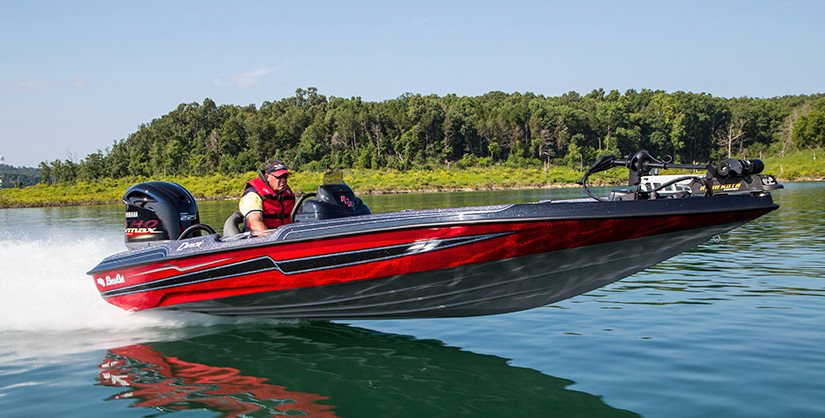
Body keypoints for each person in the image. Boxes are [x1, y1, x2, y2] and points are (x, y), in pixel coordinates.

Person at [239, 160, 296, 231]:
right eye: (279, 177)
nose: (283, 180)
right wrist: (271, 239)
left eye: (285, 176)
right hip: (261, 239)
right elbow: (255, 223)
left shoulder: (288, 193)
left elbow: (299, 215)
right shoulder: (253, 194)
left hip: (287, 236)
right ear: (267, 177)